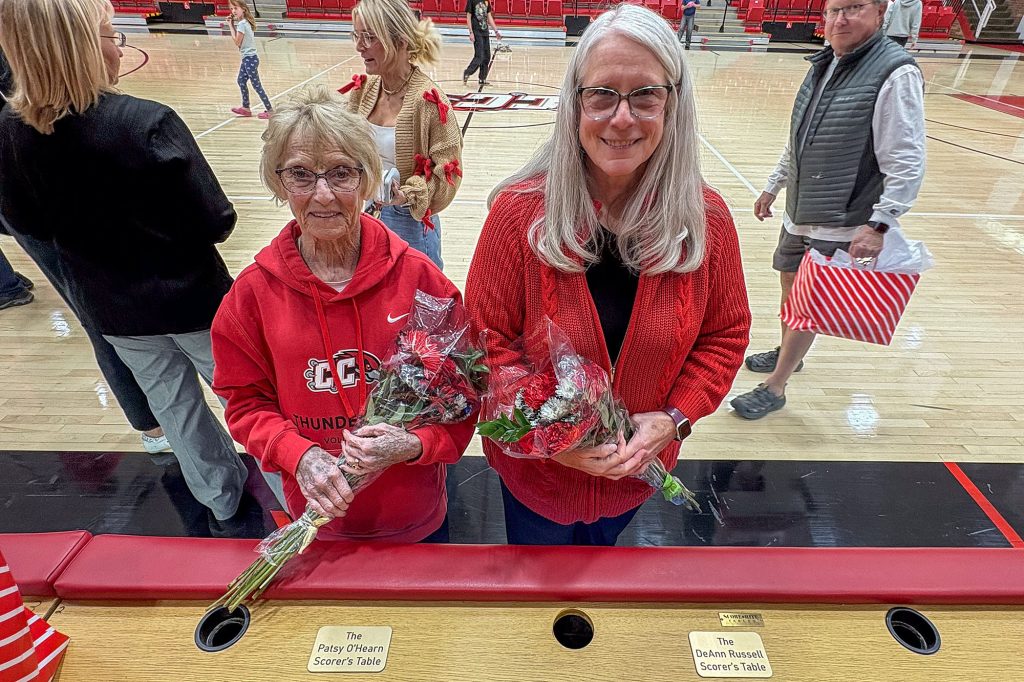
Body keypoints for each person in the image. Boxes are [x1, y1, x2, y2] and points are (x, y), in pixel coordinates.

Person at [465, 5, 751, 546]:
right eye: (602, 95)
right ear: (574, 105)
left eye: (645, 94)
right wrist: (553, 438)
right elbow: (487, 348)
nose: (622, 118)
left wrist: (674, 418)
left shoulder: (706, 220)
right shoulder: (517, 215)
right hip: (537, 480)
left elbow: (725, 336)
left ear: (674, 103)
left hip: (637, 480)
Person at [0, 0, 249, 525]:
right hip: (196, 302)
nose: (121, 46)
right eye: (113, 35)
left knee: (176, 413)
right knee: (247, 401)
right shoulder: (147, 122)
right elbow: (216, 220)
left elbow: (23, 221)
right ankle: (291, 494)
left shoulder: (11, 128)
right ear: (84, 50)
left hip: (112, 311)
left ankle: (220, 500)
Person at [211, 85, 474, 543]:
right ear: (278, 182)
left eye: (341, 173)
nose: (324, 195)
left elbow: (463, 398)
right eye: (300, 175)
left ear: (369, 178)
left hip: (416, 519)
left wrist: (414, 445)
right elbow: (245, 402)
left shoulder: (422, 282)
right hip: (317, 521)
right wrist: (298, 455)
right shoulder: (252, 294)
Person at [730, 0, 925, 420]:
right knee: (789, 283)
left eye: (853, 8)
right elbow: (798, 138)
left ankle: (776, 385)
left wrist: (881, 223)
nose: (840, 20)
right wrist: (773, 185)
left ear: (880, 13)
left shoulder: (895, 72)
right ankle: (790, 353)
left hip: (844, 216)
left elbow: (906, 158)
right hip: (801, 207)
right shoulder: (824, 64)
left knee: (808, 302)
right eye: (834, 10)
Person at [345, 0, 463, 270]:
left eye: (369, 37)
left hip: (412, 220)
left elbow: (449, 173)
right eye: (357, 35)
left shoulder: (430, 101)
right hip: (368, 213)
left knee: (420, 302)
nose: (359, 46)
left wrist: (408, 195)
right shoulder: (362, 90)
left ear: (398, 39)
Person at [228, 0, 272, 119]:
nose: (233, 11)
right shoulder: (245, 22)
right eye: (232, 9)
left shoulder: (242, 24)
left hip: (250, 59)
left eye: (235, 8)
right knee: (241, 81)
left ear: (243, 9)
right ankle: (246, 108)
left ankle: (270, 110)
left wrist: (231, 27)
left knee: (257, 85)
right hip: (248, 59)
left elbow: (237, 42)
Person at [464, 0, 502, 87]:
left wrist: (496, 31)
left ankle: (482, 78)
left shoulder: (486, 1)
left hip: (485, 32)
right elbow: (468, 17)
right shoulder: (471, 1)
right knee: (479, 56)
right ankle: (467, 72)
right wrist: (471, 32)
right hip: (476, 32)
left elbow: (489, 16)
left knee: (487, 56)